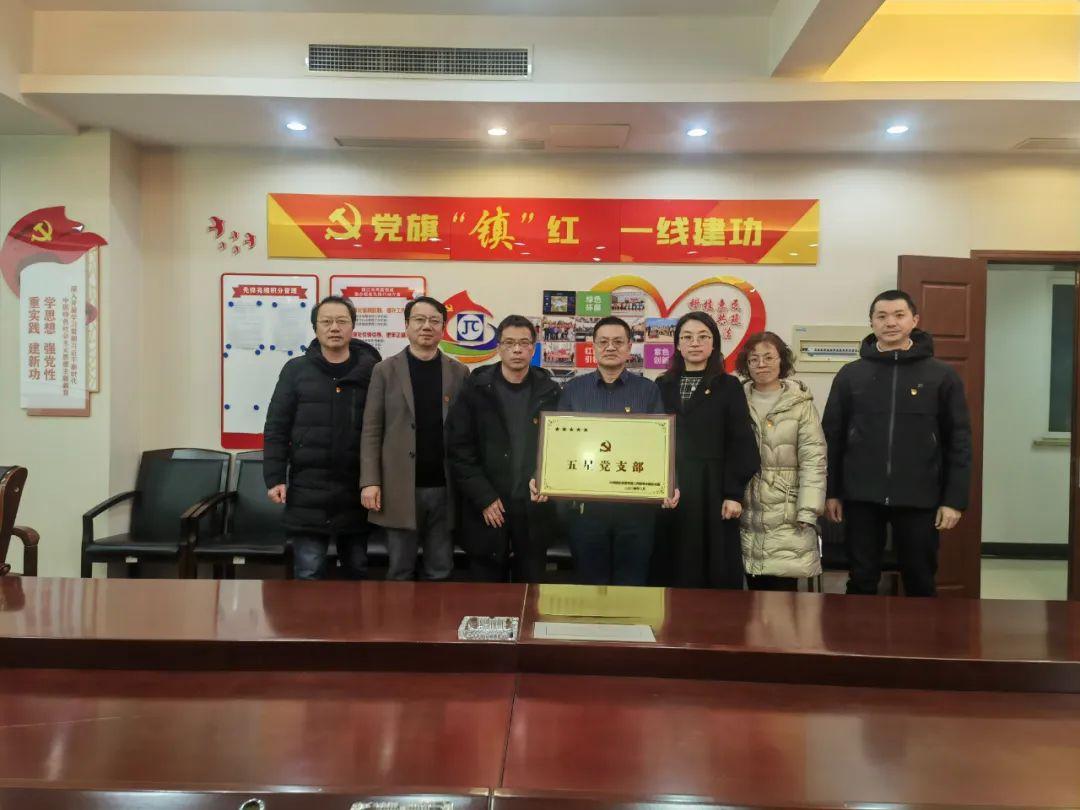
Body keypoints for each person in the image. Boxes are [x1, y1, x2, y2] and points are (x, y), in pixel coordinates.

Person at [822, 289, 972, 597]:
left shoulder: (941, 376)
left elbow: (959, 441)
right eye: (882, 316)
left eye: (899, 315)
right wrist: (832, 492)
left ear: (914, 320)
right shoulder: (851, 375)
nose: (890, 322)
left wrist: (954, 500)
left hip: (919, 495)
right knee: (861, 580)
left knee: (920, 580)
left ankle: (921, 632)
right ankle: (860, 631)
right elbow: (832, 438)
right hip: (861, 495)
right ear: (872, 322)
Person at [532, 315, 676, 586]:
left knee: (632, 585)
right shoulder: (573, 390)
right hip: (586, 512)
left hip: (636, 512)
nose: (610, 347)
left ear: (629, 346)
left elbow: (659, 445)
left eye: (618, 342)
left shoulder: (648, 391)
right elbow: (559, 444)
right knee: (590, 586)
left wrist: (670, 484)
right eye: (604, 342)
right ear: (594, 346)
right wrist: (541, 477)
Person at [263, 295, 381, 580]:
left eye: (342, 321)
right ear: (315, 327)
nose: (334, 328)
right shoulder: (296, 370)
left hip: (356, 490)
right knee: (309, 572)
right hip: (308, 490)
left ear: (353, 326)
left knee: (357, 570)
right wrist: (275, 477)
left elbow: (383, 429)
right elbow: (276, 427)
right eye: (326, 322)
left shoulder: (373, 372)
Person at [360, 295, 469, 581]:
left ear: (443, 328)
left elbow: (466, 431)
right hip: (398, 487)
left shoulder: (459, 372)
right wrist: (370, 481)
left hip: (444, 488)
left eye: (434, 321)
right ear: (407, 325)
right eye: (419, 320)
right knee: (400, 571)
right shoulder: (384, 371)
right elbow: (371, 430)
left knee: (441, 569)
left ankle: (438, 614)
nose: (426, 326)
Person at [447, 315, 561, 582]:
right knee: (487, 593)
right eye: (509, 343)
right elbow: (459, 449)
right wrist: (484, 497)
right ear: (499, 347)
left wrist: (544, 479)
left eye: (524, 343)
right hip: (487, 506)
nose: (517, 350)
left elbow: (560, 448)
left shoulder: (551, 392)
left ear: (533, 348)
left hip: (533, 508)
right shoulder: (475, 389)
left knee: (531, 591)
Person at [654, 312, 759, 589]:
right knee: (672, 565)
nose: (695, 343)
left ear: (714, 345)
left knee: (714, 567)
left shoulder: (729, 386)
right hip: (672, 488)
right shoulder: (662, 385)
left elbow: (741, 443)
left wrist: (733, 494)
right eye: (687, 337)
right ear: (677, 345)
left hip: (714, 489)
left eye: (703, 337)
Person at [736, 331, 826, 591]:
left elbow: (814, 459)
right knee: (745, 596)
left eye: (768, 357)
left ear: (781, 361)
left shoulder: (800, 404)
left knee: (781, 594)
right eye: (754, 359)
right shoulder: (737, 399)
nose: (761, 364)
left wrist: (808, 510)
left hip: (787, 509)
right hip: (745, 507)